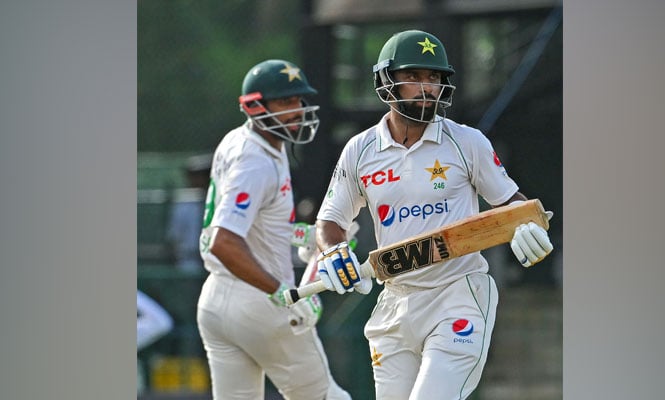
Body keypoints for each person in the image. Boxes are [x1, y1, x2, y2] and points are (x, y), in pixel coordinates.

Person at [313, 30, 554, 399]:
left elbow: (514, 206)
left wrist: (527, 226)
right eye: (414, 77)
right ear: (386, 81)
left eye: (435, 78)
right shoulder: (359, 151)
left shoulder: (467, 142)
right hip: (394, 302)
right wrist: (333, 252)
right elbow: (330, 221)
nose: (427, 88)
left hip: (457, 293)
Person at [196, 59, 351, 400]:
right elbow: (225, 241)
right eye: (285, 103)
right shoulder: (256, 160)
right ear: (255, 106)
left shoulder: (246, 141)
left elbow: (258, 224)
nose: (297, 110)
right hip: (257, 297)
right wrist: (282, 293)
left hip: (215, 301)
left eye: (298, 101)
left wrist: (307, 236)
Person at [166, 153, 212, 273]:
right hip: (189, 262)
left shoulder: (218, 200)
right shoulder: (183, 203)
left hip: (215, 260)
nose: (198, 180)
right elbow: (175, 236)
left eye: (202, 175)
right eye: (193, 175)